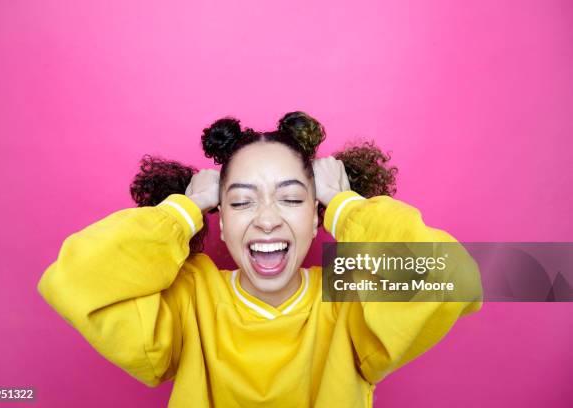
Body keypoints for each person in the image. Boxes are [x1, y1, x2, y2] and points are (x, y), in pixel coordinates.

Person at [37, 112, 482, 407]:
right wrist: (183, 212)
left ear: (315, 220)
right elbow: (77, 278)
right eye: (241, 202)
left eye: (290, 198)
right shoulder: (191, 295)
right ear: (222, 225)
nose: (267, 220)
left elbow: (454, 277)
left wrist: (345, 205)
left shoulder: (347, 297)